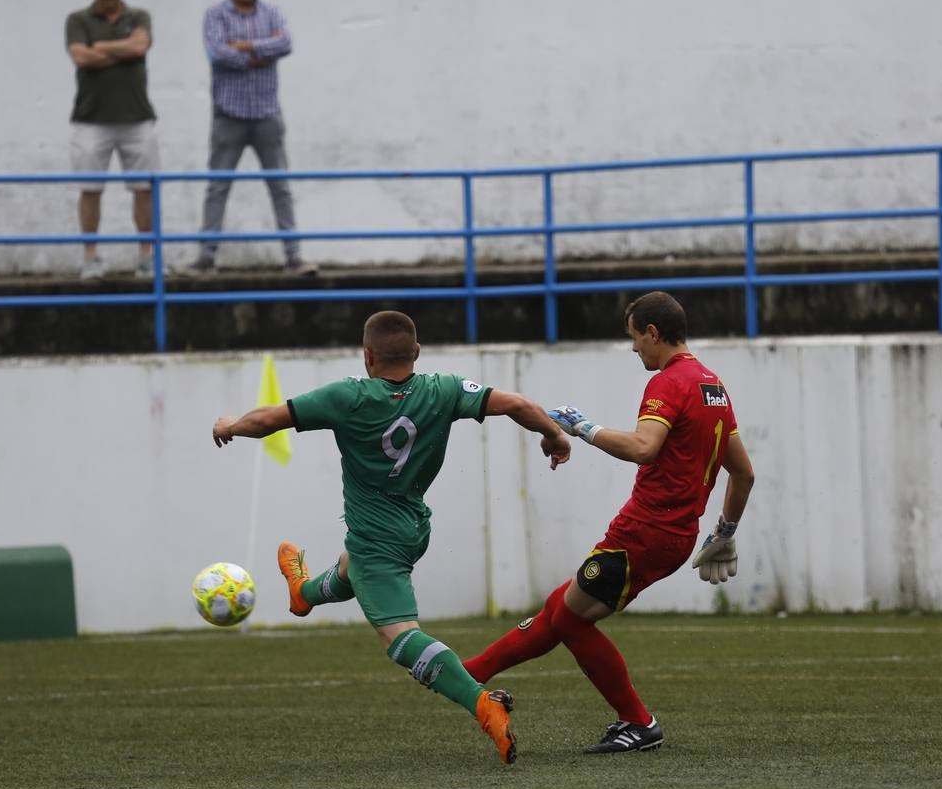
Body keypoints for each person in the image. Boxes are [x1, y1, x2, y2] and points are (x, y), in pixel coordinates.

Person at [211, 311, 571, 764]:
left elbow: (268, 420)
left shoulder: (348, 396)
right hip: (413, 525)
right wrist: (554, 434)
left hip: (379, 539)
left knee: (400, 639)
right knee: (352, 566)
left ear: (367, 356)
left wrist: (230, 424)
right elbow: (518, 404)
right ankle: (303, 592)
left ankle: (481, 702)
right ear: (417, 352)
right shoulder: (443, 389)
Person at [463, 291, 755, 754]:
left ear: (653, 333)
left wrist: (585, 428)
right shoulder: (712, 386)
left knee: (571, 620)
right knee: (560, 607)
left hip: (646, 531)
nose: (634, 347)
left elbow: (644, 447)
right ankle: (469, 674)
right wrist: (725, 532)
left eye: (635, 338)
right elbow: (744, 472)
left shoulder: (668, 382)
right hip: (668, 533)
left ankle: (639, 723)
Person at [181, 0, 317, 277]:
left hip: (267, 114)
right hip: (228, 114)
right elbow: (217, 52)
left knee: (280, 187)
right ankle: (206, 258)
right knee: (218, 187)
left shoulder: (273, 12)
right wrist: (259, 55)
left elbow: (285, 43)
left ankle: (294, 257)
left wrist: (243, 47)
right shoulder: (215, 14)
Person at [65, 0, 159, 281]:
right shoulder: (77, 19)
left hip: (137, 118)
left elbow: (141, 47)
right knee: (90, 190)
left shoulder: (139, 16)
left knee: (144, 189)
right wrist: (124, 50)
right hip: (90, 119)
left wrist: (102, 47)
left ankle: (147, 257)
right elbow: (80, 56)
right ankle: (90, 257)